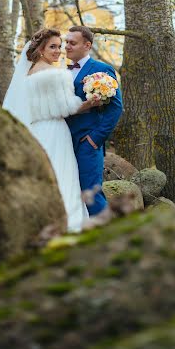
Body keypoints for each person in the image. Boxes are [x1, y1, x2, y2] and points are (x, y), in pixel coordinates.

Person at [2, 28, 99, 232]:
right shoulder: (55, 74)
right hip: (55, 132)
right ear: (40, 49)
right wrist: (90, 103)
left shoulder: (27, 75)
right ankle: (68, 223)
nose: (58, 51)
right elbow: (66, 108)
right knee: (62, 175)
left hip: (35, 132)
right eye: (53, 47)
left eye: (59, 46)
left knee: (43, 176)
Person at [65, 26, 123, 219]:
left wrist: (95, 139)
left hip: (87, 142)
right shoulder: (63, 72)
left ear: (87, 45)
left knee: (91, 193)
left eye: (72, 43)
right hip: (63, 141)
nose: (67, 46)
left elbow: (115, 107)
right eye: (66, 42)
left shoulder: (101, 69)